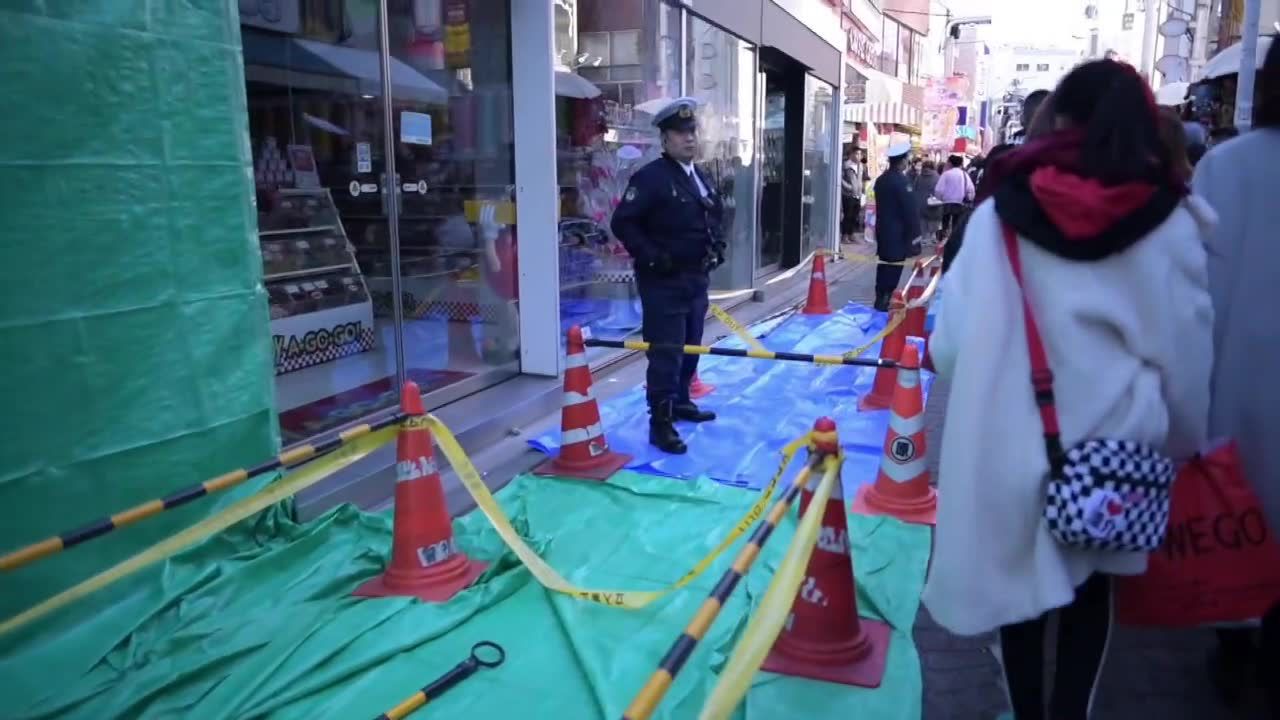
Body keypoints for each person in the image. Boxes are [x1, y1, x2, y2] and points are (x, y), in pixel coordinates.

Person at [922, 59, 1214, 720]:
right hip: (1116, 455)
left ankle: (1024, 711)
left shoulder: (1000, 215)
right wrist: (1184, 444)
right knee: (1092, 599)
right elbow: (1189, 363)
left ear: (1055, 120)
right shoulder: (1168, 218)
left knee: (1020, 603)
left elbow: (949, 347)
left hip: (1008, 446)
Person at [1192, 34, 1280, 716]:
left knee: (1241, 520)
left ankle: (1234, 651)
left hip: (1237, 380)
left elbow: (1196, 291)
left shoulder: (1226, 167)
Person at [611, 97, 725, 455]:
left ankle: (680, 402)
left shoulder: (700, 176)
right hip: (664, 282)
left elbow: (712, 215)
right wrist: (653, 257)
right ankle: (660, 423)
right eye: (680, 133)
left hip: (695, 280)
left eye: (692, 132)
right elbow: (623, 223)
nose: (689, 139)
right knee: (666, 354)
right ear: (665, 140)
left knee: (690, 345)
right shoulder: (651, 178)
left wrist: (718, 245)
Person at [871, 142, 921, 311]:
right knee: (893, 268)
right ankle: (884, 301)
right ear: (902, 161)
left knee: (883, 265)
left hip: (883, 230)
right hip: (898, 234)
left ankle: (880, 299)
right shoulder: (902, 181)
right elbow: (910, 212)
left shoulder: (881, 180)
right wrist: (915, 239)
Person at [934, 154, 975, 240]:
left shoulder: (946, 174)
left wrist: (941, 198)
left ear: (951, 163)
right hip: (960, 203)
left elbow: (938, 190)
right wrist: (970, 198)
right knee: (956, 225)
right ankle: (954, 240)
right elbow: (970, 189)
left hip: (946, 202)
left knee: (945, 223)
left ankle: (943, 241)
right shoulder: (964, 174)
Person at [913, 160, 942, 244]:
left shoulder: (919, 177)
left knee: (923, 220)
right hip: (934, 203)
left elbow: (914, 189)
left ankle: (924, 238)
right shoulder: (937, 177)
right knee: (933, 220)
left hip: (921, 203)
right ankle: (933, 236)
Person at [840, 147, 864, 242]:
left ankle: (851, 234)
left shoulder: (861, 166)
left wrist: (861, 189)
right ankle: (844, 235)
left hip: (857, 194)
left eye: (860, 154)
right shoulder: (846, 165)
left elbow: (860, 179)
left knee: (855, 215)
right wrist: (849, 187)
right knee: (848, 215)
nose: (859, 156)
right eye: (857, 154)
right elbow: (840, 179)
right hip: (848, 194)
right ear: (852, 154)